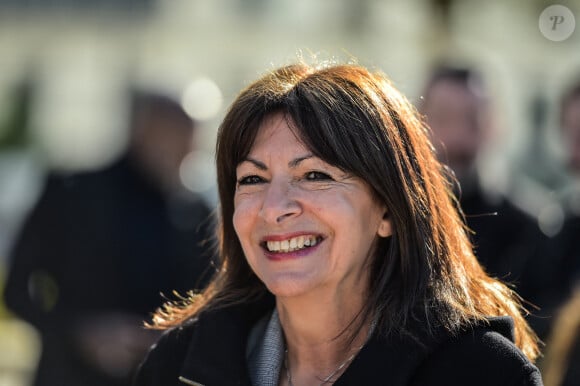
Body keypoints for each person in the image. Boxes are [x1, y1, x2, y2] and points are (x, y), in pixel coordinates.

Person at [134, 62, 542, 386]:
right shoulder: (177, 366)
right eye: (253, 179)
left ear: (387, 209)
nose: (274, 209)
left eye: (315, 176)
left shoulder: (483, 373)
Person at [3, 90, 214, 386]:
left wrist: (160, 336)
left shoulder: (195, 212)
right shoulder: (71, 194)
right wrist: (78, 332)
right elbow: (19, 291)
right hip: (67, 376)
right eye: (177, 139)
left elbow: (209, 300)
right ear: (144, 130)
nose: (186, 155)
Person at [420, 66, 553, 338]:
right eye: (444, 118)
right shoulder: (390, 219)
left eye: (472, 119)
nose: (455, 138)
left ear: (493, 125)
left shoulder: (530, 226)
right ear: (417, 123)